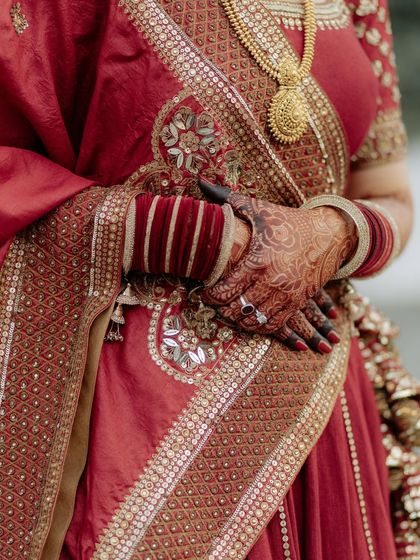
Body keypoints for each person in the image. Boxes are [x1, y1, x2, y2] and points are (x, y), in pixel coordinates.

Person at [0, 0, 419, 559]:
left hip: (319, 403)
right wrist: (198, 237)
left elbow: (388, 195)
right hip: (136, 424)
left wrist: (336, 234)